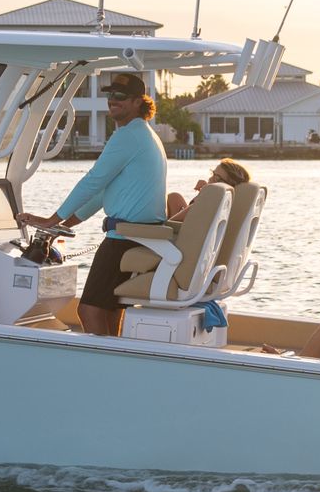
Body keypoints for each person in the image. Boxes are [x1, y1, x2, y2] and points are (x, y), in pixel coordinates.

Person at [16, 70, 169, 336]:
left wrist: (52, 220)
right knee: (110, 308)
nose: (113, 101)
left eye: (121, 96)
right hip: (138, 236)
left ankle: (106, 365)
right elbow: (103, 192)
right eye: (110, 95)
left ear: (138, 102)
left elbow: (94, 180)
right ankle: (116, 359)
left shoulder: (128, 136)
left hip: (124, 239)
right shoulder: (143, 134)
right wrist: (67, 222)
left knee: (88, 310)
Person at [166, 157, 250, 221]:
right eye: (212, 173)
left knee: (173, 198)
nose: (210, 179)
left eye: (216, 177)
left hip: (179, 237)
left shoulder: (208, 201)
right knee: (174, 197)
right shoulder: (224, 203)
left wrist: (204, 194)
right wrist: (205, 191)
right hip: (191, 227)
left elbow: (172, 222)